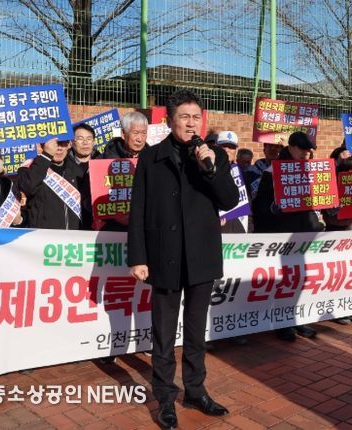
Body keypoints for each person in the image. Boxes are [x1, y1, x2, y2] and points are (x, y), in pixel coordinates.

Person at [127, 90, 238, 429]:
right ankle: (164, 397)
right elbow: (138, 209)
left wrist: (210, 169)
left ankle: (195, 391)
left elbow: (229, 200)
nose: (191, 124)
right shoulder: (151, 157)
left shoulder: (215, 155)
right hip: (164, 255)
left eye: (196, 117)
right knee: (163, 332)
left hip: (201, 254)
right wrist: (138, 256)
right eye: (184, 117)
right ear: (169, 120)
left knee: (195, 330)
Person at [252, 131, 323, 340]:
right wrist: (275, 208)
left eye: (309, 150)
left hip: (305, 234)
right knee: (285, 282)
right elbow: (260, 207)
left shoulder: (313, 171)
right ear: (290, 147)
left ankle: (299, 320)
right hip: (282, 237)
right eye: (302, 149)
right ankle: (282, 324)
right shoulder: (272, 172)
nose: (306, 153)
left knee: (302, 280)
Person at [321, 155, 352, 324]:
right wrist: (351, 220)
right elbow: (328, 218)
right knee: (340, 276)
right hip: (338, 240)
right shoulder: (332, 191)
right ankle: (338, 311)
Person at [18, 138, 84, 229]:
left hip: (74, 235)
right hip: (44, 234)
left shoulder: (77, 170)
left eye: (62, 143)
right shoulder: (30, 168)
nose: (59, 148)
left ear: (69, 144)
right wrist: (46, 156)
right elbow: (28, 188)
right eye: (54, 144)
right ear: (42, 145)